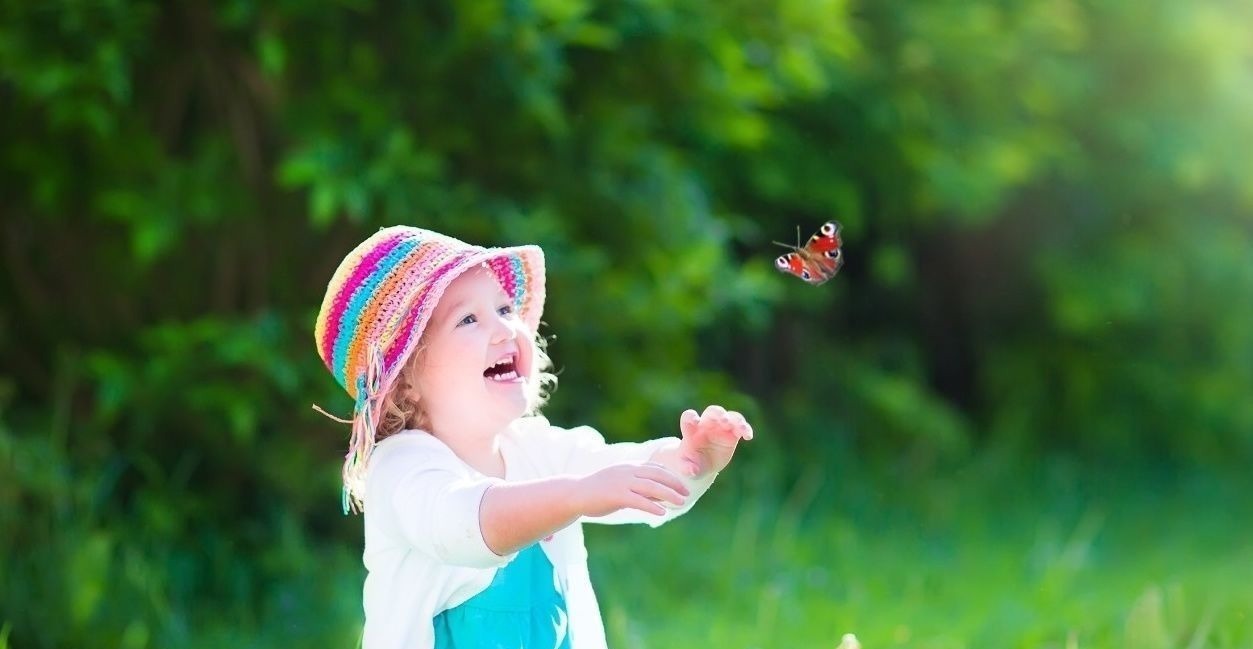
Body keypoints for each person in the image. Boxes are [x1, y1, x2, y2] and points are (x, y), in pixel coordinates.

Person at [313, 225, 753, 649]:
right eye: (468, 319)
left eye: (505, 310)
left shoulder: (537, 449)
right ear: (405, 381)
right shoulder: (402, 467)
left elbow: (633, 476)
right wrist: (577, 495)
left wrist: (694, 459)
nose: (506, 329)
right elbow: (464, 523)